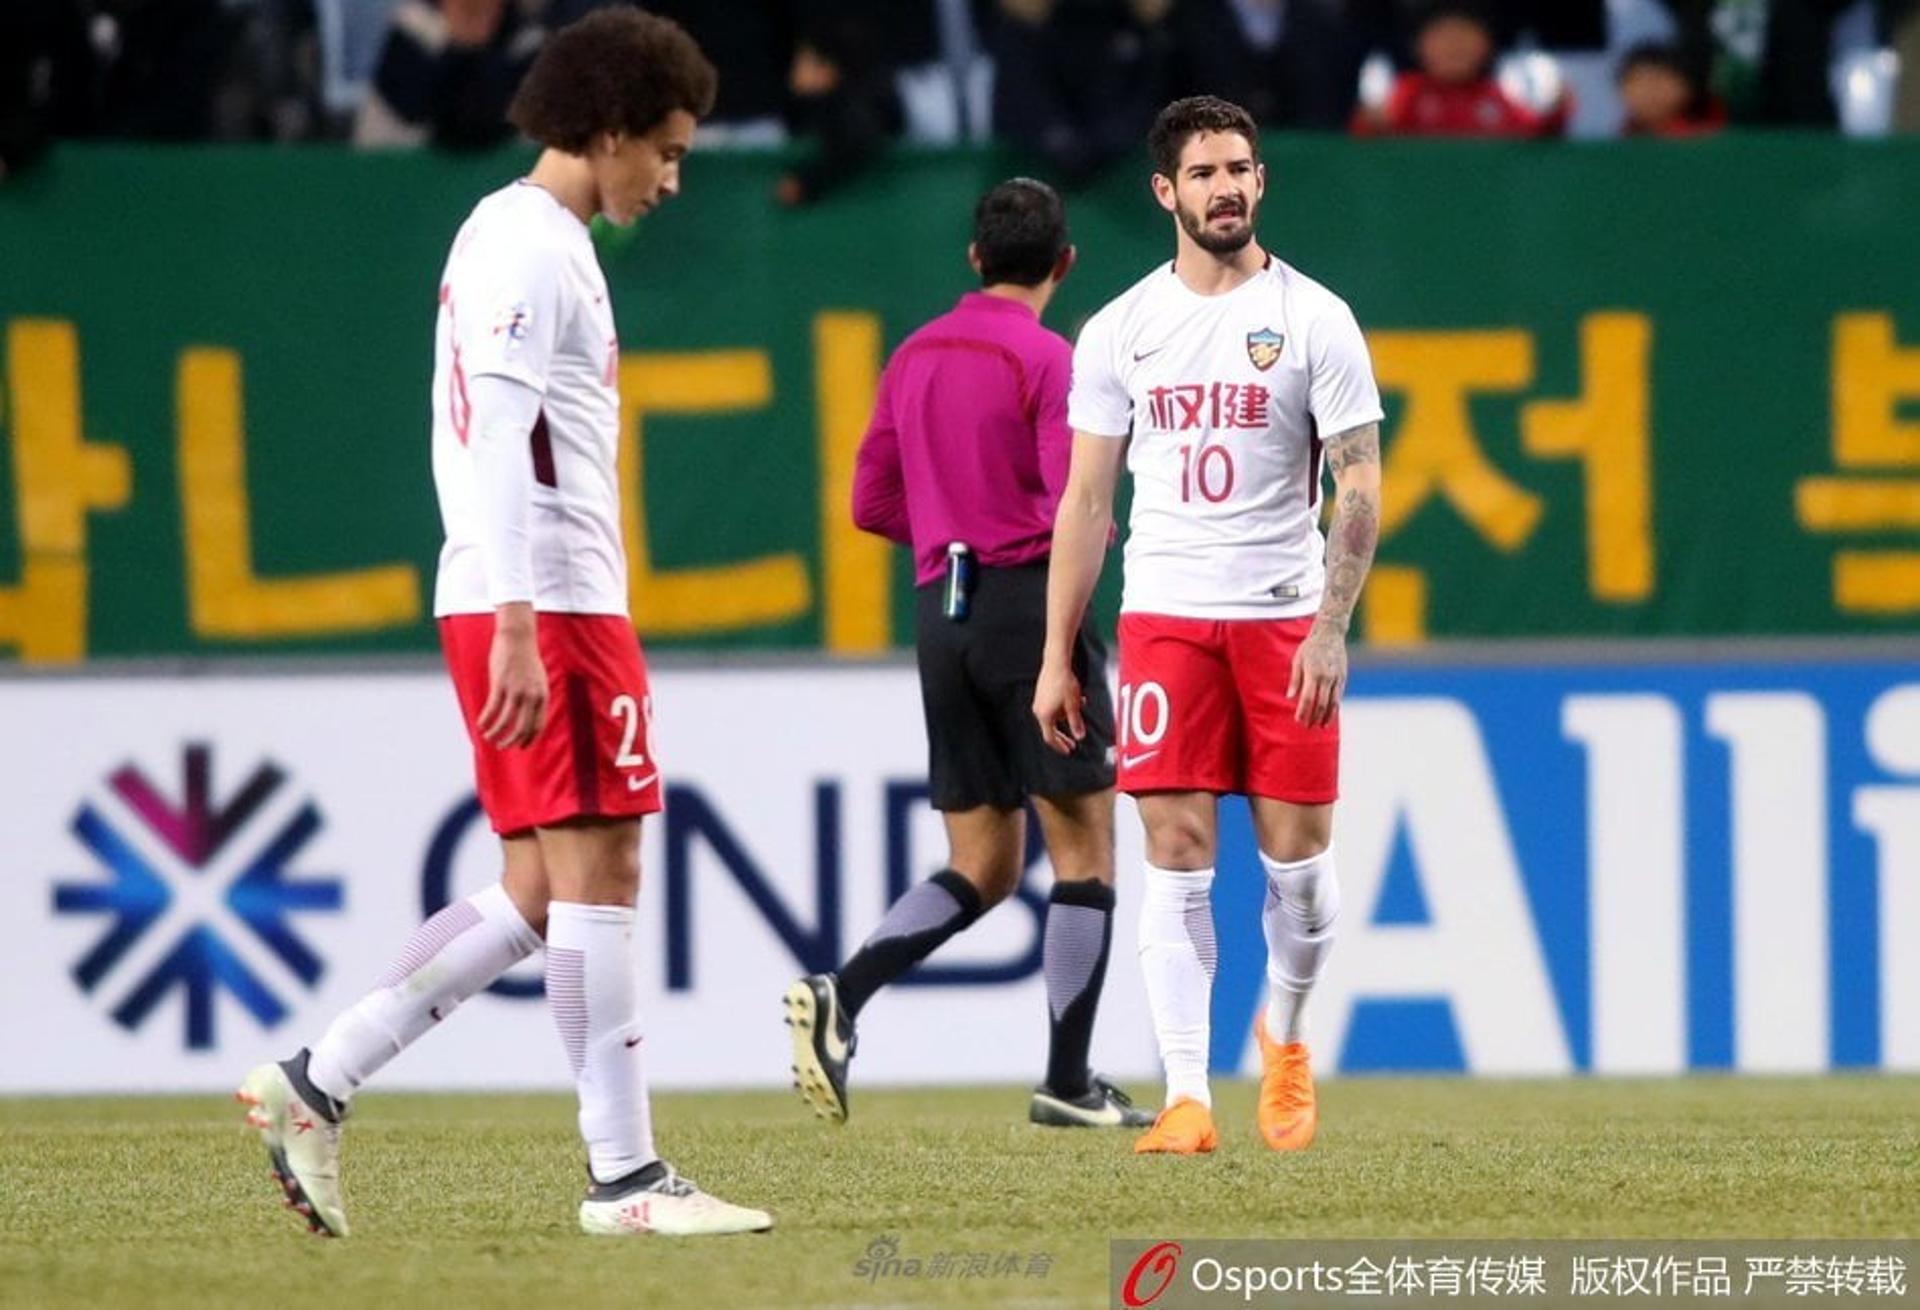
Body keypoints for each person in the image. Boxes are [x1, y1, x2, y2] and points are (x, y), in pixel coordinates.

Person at [236, 8, 771, 1238]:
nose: (673, 178)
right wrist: (526, 620)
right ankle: (627, 1179)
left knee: (539, 886)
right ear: (608, 129)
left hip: (527, 591)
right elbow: (494, 441)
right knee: (605, 868)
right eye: (668, 151)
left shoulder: (526, 236)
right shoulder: (529, 246)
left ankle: (317, 1078)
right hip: (546, 599)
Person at [1033, 95, 1383, 1155]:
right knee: (1177, 848)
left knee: (1297, 868)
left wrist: (1331, 623)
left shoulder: (1317, 318)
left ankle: (1287, 1034)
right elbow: (1088, 502)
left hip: (1282, 619)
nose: (1225, 186)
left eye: (1240, 168)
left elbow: (1359, 479)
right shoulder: (1120, 328)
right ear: (1165, 192)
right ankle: (1187, 1092)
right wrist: (1058, 652)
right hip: (1168, 617)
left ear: (1261, 182)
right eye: (1204, 172)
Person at [785, 178, 1151, 1133]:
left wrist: (952, 532)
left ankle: (844, 994)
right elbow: (1075, 505)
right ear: (1064, 264)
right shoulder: (1047, 356)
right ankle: (1067, 1082)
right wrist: (1051, 621)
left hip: (941, 615)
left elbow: (871, 502)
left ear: (975, 259)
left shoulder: (911, 356)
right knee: (1085, 844)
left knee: (984, 860)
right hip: (1033, 607)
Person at [1352, 1, 1568, 137]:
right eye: (1443, 37)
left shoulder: (1495, 97)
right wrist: (1371, 122)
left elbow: (1532, 136)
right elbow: (1372, 138)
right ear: (1419, 46)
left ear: (1487, 45)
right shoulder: (1408, 93)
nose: (1454, 47)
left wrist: (1557, 112)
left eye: (1465, 37)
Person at [1616, 40, 1723, 137]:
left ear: (1686, 86)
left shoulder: (1708, 134)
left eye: (1658, 80)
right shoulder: (1623, 137)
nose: (1649, 92)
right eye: (1638, 81)